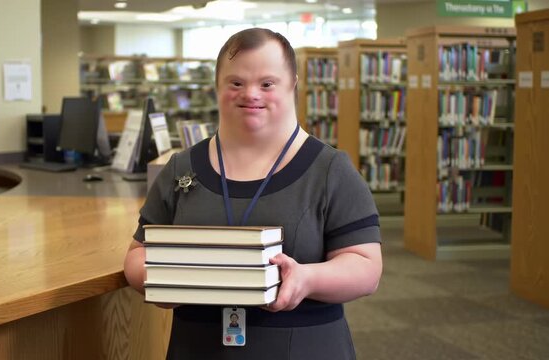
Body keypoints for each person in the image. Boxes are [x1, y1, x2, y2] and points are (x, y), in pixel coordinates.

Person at [124, 28, 382, 359]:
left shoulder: (330, 170)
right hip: (197, 347)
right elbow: (137, 253)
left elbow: (367, 268)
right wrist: (161, 278)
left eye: (266, 83)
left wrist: (307, 278)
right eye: (236, 83)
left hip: (303, 348)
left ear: (292, 84)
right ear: (217, 86)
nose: (251, 94)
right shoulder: (181, 168)